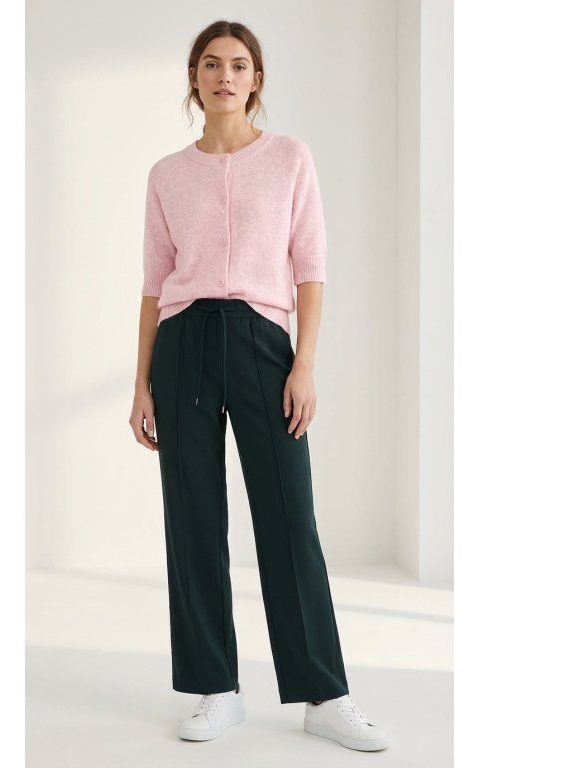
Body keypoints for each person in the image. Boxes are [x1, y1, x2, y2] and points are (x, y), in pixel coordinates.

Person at [129, 20, 388, 752]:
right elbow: (152, 283)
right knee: (193, 517)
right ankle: (216, 688)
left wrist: (304, 365)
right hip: (183, 342)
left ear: (256, 79)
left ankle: (324, 693)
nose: (225, 76)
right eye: (212, 64)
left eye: (239, 65)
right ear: (194, 77)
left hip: (262, 340)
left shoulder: (289, 159)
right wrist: (142, 382)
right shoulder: (167, 174)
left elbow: (311, 268)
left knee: (288, 516)